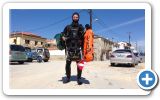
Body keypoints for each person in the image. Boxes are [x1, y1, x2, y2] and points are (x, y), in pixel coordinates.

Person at [62, 12, 84, 85]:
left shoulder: (81, 27)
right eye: (74, 17)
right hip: (69, 48)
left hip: (78, 48)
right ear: (72, 18)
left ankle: (79, 78)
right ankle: (68, 77)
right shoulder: (68, 27)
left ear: (78, 18)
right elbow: (62, 33)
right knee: (68, 64)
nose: (75, 18)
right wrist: (63, 37)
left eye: (76, 17)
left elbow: (84, 36)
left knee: (79, 64)